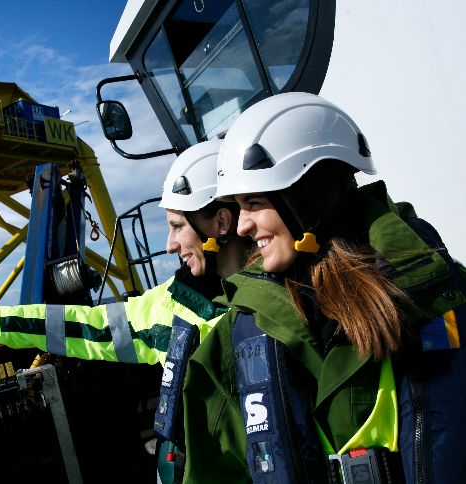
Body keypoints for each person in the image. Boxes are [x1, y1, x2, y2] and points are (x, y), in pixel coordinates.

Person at [179, 92, 466, 483]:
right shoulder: (238, 336)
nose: (243, 226)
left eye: (255, 202)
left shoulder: (439, 288)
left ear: (306, 197)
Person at [0, 138, 252, 483]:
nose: (168, 245)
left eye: (177, 226)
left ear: (222, 223)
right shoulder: (174, 303)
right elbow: (93, 326)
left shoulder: (281, 308)